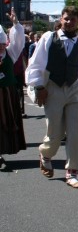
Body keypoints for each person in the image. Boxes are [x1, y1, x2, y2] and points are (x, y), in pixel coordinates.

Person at [25, 6, 78, 188]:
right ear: (61, 20)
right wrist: (39, 86)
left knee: (74, 133)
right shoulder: (49, 38)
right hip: (53, 88)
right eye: (66, 18)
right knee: (55, 133)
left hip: (74, 90)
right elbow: (36, 63)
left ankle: (72, 172)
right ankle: (46, 154)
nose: (69, 22)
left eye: (72, 19)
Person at [0, 9, 26, 169]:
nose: (1, 47)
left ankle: (4, 149)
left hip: (8, 93)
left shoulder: (10, 53)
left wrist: (15, 24)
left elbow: (18, 41)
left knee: (7, 122)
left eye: (2, 43)